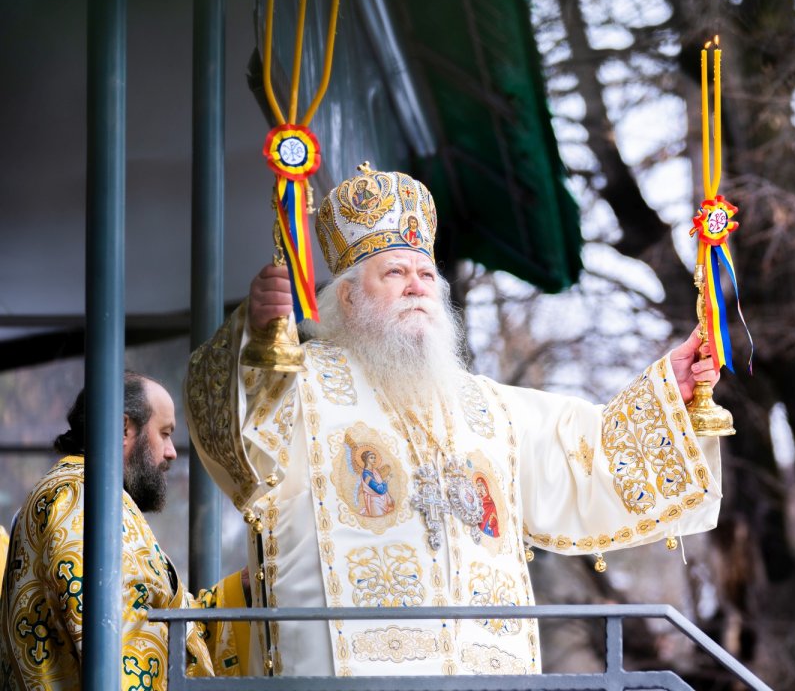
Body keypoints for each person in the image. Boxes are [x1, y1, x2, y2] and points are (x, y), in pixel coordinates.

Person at [185, 164, 724, 678]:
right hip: (351, 676)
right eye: (394, 272)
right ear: (347, 297)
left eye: (425, 272)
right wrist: (254, 337)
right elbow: (229, 419)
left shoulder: (487, 409)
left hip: (483, 674)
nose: (418, 285)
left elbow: (589, 454)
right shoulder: (298, 385)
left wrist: (668, 396)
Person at [0, 373, 240, 690]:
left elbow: (150, 615)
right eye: (164, 433)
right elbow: (117, 642)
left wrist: (243, 589)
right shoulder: (83, 502)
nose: (172, 452)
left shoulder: (79, 492)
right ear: (123, 429)